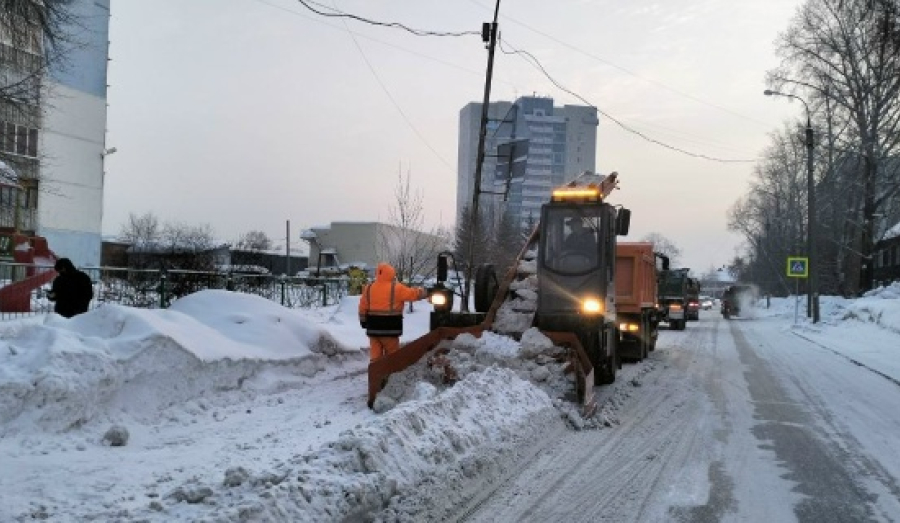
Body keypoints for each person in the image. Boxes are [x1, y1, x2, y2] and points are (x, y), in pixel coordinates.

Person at [358, 262, 427, 361]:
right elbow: (413, 294)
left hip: (373, 329)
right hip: (390, 328)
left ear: (378, 273)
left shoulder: (368, 288)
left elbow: (362, 307)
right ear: (392, 273)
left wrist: (363, 321)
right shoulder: (397, 288)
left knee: (375, 357)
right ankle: (390, 374)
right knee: (392, 357)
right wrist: (425, 292)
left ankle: (376, 374)